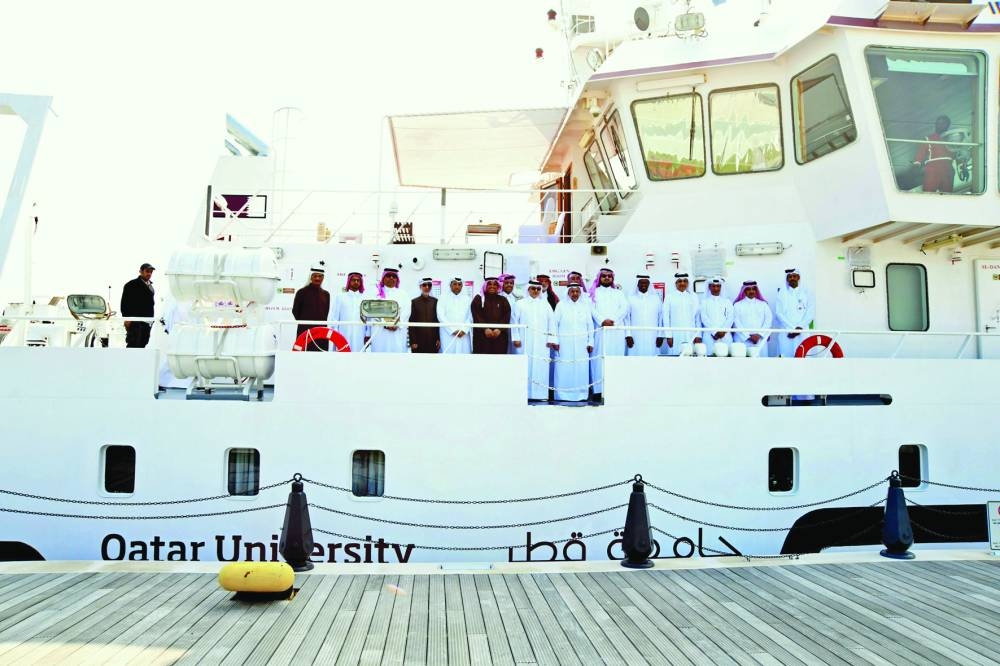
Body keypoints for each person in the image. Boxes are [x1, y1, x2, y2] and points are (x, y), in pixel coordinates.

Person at [552, 282, 594, 402]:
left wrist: (590, 342)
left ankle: (581, 395)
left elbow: (590, 326)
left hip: (582, 345)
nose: (575, 294)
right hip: (564, 343)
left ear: (580, 293)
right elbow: (555, 324)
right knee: (564, 367)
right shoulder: (561, 305)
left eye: (577, 292)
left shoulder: (585, 306)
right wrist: (555, 340)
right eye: (572, 291)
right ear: (568, 292)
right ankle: (562, 395)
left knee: (581, 368)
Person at [590, 268, 627, 397]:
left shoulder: (619, 293)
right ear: (599, 278)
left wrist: (613, 321)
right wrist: (602, 321)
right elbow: (592, 310)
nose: (606, 278)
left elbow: (624, 308)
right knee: (598, 359)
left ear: (612, 278)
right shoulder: (594, 293)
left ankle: (615, 389)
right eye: (604, 276)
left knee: (615, 357)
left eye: (609, 276)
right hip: (600, 331)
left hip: (616, 331)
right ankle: (598, 390)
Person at [520, 280, 556, 401]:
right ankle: (524, 394)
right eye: (533, 289)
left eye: (538, 289)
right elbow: (514, 322)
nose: (535, 291)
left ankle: (540, 395)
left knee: (541, 367)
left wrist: (551, 338)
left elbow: (552, 323)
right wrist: (516, 338)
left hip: (542, 342)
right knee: (526, 366)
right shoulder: (520, 304)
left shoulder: (545, 305)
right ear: (528, 289)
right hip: (524, 341)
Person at [774, 268, 815, 358]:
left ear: (798, 277)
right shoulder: (782, 293)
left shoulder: (807, 293)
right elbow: (779, 313)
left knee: (804, 356)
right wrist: (791, 328)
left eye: (794, 276)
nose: (792, 278)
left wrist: (800, 327)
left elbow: (810, 312)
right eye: (789, 277)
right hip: (786, 332)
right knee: (785, 355)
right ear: (787, 279)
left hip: (802, 331)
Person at [291, 261, 332, 351]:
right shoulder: (301, 292)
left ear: (323, 278)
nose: (317, 278)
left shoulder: (326, 294)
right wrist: (306, 323)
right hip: (305, 329)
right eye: (315, 276)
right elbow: (295, 311)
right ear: (310, 277)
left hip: (321, 330)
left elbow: (326, 313)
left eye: (320, 276)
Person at [370, 268, 410, 353]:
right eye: (388, 276)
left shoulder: (403, 294)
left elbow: (406, 312)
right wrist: (386, 324)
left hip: (397, 331)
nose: (391, 278)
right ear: (383, 278)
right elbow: (373, 311)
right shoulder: (375, 293)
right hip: (380, 331)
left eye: (394, 276)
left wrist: (396, 324)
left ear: (397, 279)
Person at [913, 115, 956, 193]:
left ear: (948, 125)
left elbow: (958, 153)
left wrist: (963, 165)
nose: (940, 125)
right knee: (928, 192)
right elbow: (921, 151)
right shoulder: (928, 138)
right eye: (938, 123)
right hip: (932, 167)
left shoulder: (952, 140)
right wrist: (917, 163)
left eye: (943, 123)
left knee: (947, 194)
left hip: (948, 167)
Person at [662, 272, 700, 356]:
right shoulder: (670, 296)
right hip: (675, 334)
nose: (682, 283)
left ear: (688, 283)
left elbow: (697, 317)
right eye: (679, 281)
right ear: (675, 283)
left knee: (690, 355)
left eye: (685, 281)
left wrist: (698, 335)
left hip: (691, 333)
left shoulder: (693, 297)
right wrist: (668, 336)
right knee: (675, 354)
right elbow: (666, 317)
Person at [625, 274, 664, 357]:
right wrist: (628, 335)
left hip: (653, 335)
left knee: (652, 357)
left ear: (649, 285)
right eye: (641, 283)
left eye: (646, 283)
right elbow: (627, 318)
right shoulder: (630, 298)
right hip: (635, 335)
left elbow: (660, 318)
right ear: (637, 284)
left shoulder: (656, 299)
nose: (643, 285)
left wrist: (660, 335)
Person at [471, 277, 511, 354]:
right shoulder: (478, 299)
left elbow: (507, 315)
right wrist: (485, 329)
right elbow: (476, 315)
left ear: (498, 286)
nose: (492, 286)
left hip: (499, 336)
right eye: (489, 284)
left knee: (498, 360)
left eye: (495, 284)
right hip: (482, 336)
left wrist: (499, 329)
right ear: (485, 285)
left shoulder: (503, 299)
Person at [121, 263, 156, 348]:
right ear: (140, 271)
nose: (149, 273)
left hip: (146, 321)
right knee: (133, 344)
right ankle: (128, 361)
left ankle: (138, 361)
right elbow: (124, 303)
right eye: (147, 271)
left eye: (151, 272)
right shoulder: (131, 285)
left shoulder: (150, 286)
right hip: (135, 321)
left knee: (143, 343)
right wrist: (127, 318)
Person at [733, 280, 773, 357]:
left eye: (753, 289)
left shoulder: (763, 304)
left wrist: (759, 335)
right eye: (748, 289)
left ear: (756, 290)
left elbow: (768, 321)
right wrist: (748, 336)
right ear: (744, 291)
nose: (751, 291)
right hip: (743, 340)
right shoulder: (737, 305)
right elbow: (736, 322)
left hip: (760, 340)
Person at [332, 271, 369, 352]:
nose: (356, 282)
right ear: (349, 282)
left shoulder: (365, 298)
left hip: (360, 333)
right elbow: (334, 317)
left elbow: (368, 318)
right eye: (353, 280)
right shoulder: (340, 297)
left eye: (358, 280)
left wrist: (367, 334)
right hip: (343, 333)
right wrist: (335, 334)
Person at [698, 276, 734, 356]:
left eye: (718, 286)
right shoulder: (704, 302)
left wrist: (723, 331)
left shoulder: (727, 302)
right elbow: (704, 318)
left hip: (725, 335)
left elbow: (730, 318)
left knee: (727, 358)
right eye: (713, 286)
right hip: (710, 335)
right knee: (709, 358)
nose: (716, 288)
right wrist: (714, 332)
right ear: (709, 287)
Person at [437, 278, 472, 354]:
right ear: (450, 285)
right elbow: (441, 316)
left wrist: (464, 330)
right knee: (448, 355)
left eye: (459, 284)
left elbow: (470, 316)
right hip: (448, 334)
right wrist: (453, 330)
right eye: (454, 284)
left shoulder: (467, 299)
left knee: (464, 357)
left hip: (463, 334)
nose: (457, 286)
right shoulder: (443, 298)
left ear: (462, 286)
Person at [409, 278, 440, 353]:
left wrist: (438, 338)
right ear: (420, 286)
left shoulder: (435, 301)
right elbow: (411, 322)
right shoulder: (414, 302)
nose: (427, 287)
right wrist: (413, 341)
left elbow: (437, 321)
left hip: (432, 339)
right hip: (418, 340)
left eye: (429, 285)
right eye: (424, 285)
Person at [499, 273, 522, 354]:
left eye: (511, 283)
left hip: (513, 331)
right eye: (506, 283)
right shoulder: (497, 297)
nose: (509, 285)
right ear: (502, 284)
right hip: (500, 331)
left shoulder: (515, 298)